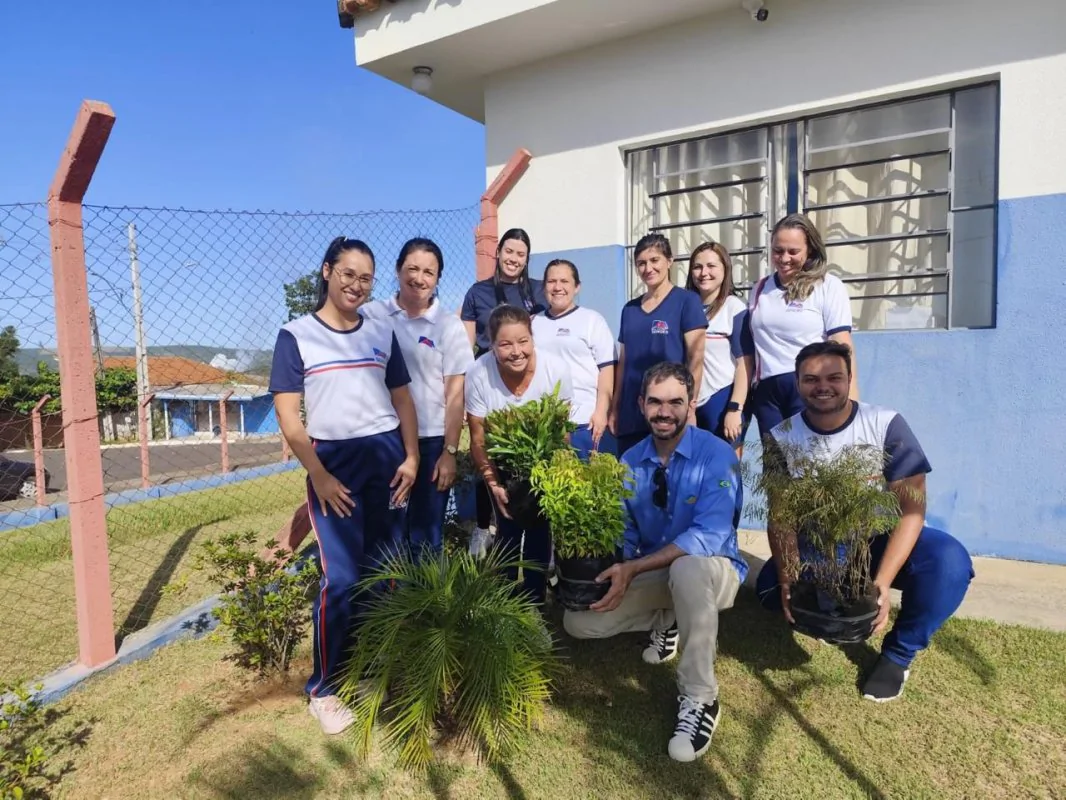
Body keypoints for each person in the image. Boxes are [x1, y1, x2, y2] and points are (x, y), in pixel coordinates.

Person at [755, 341, 974, 702]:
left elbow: (912, 510)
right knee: (767, 592)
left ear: (849, 378)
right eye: (810, 378)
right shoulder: (781, 438)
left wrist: (882, 584)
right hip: (821, 544)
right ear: (797, 384)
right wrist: (787, 578)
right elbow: (780, 516)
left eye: (833, 377)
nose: (822, 386)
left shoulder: (884, 424)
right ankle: (829, 609)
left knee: (949, 562)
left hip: (877, 539)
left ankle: (898, 655)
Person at [269, 236, 419, 735]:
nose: (356, 285)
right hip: (333, 465)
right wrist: (319, 474)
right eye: (348, 273)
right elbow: (290, 419)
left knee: (387, 575)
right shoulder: (295, 336)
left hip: (388, 460)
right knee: (343, 581)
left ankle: (374, 669)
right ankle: (324, 689)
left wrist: (413, 457)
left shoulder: (379, 330)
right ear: (328, 271)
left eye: (365, 278)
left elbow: (402, 400)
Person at [565, 362, 745, 763]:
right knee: (578, 623)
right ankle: (668, 620)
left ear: (691, 404)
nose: (665, 411)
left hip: (714, 571)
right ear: (641, 404)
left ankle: (701, 700)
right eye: (656, 402)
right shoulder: (629, 460)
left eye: (675, 402)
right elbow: (623, 532)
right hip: (656, 570)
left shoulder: (716, 454)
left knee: (688, 568)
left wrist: (636, 569)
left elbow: (710, 534)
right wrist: (619, 570)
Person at [360, 237, 474, 555]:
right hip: (382, 439)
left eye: (429, 272)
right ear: (397, 270)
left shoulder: (448, 327)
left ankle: (426, 603)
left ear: (438, 279)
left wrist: (449, 452)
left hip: (430, 440)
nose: (419, 278)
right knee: (385, 530)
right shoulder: (371, 316)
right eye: (412, 268)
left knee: (426, 534)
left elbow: (455, 396)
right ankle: (387, 602)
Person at [465, 304, 573, 603]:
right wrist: (494, 484)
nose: (516, 351)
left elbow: (561, 433)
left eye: (523, 341)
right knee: (508, 529)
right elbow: (477, 440)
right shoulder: (478, 372)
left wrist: (553, 479)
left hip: (542, 460)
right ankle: (507, 604)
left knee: (539, 530)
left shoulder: (555, 369)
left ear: (532, 338)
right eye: (505, 344)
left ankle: (535, 602)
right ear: (491, 344)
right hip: (501, 461)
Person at [460, 229, 547, 554]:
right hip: (490, 384)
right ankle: (485, 527)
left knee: (530, 459)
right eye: (509, 251)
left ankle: (538, 534)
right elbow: (466, 343)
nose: (513, 259)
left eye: (520, 254)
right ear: (498, 252)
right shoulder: (478, 292)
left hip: (526, 385)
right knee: (489, 455)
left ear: (526, 259)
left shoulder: (536, 291)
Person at [747, 214, 858, 438]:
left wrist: (851, 403)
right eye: (778, 251)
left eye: (793, 251)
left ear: (810, 251)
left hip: (809, 387)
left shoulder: (828, 285)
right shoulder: (759, 289)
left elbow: (842, 345)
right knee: (776, 468)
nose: (784, 258)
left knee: (811, 462)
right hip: (768, 393)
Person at [610, 234, 707, 456]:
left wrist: (690, 406)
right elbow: (624, 363)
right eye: (641, 263)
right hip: (632, 414)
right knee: (633, 482)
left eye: (654, 260)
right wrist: (615, 408)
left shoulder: (687, 301)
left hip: (668, 411)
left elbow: (696, 358)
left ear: (669, 261)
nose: (648, 268)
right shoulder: (630, 309)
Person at [531, 259, 616, 458]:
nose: (557, 287)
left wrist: (601, 411)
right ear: (544, 287)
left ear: (577, 287)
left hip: (586, 423)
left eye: (564, 281)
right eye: (551, 281)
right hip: (548, 425)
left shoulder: (592, 320)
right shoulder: (534, 323)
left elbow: (607, 370)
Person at [684, 242, 752, 455]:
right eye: (697, 267)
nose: (704, 273)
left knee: (726, 472)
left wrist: (735, 408)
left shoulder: (734, 307)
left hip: (722, 399)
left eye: (711, 266)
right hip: (691, 403)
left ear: (725, 269)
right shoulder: (684, 307)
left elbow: (745, 363)